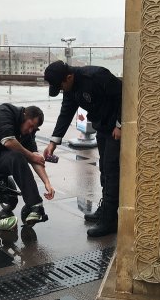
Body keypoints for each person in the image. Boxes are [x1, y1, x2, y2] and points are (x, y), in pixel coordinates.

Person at [43, 60, 121, 237]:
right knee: (105, 170)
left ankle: (109, 221)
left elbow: (123, 94)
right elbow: (66, 113)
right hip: (102, 126)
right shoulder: (70, 87)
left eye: (61, 86)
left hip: (115, 128)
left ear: (69, 77)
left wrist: (121, 124)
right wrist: (53, 143)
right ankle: (105, 210)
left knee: (112, 171)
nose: (62, 91)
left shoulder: (96, 75)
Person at [0, 103, 56, 231]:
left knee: (17, 157)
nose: (30, 131)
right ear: (24, 115)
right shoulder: (5, 112)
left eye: (34, 128)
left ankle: (36, 206)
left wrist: (47, 183)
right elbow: (8, 141)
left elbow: (35, 158)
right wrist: (30, 155)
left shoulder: (28, 131)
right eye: (30, 126)